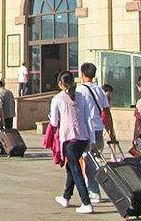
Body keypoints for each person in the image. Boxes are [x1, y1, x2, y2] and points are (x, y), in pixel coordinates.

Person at [50, 71, 95, 214]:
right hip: (83, 137)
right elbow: (89, 118)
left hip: (69, 138)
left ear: (60, 84)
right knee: (71, 166)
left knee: (75, 169)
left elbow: (53, 122)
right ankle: (66, 196)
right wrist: (92, 139)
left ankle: (86, 202)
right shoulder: (81, 97)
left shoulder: (58, 99)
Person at [76, 62, 116, 204]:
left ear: (82, 74)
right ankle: (91, 189)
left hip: (88, 129)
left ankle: (94, 192)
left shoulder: (80, 90)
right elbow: (106, 111)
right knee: (94, 159)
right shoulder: (99, 90)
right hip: (99, 128)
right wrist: (111, 131)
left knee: (89, 161)